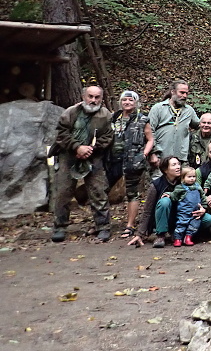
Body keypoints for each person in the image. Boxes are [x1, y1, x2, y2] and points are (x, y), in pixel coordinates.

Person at [50, 85, 114, 242]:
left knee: (98, 190)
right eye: (90, 96)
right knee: (63, 191)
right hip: (68, 154)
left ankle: (103, 226)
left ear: (101, 98)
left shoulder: (105, 115)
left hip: (94, 155)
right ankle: (60, 226)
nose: (93, 100)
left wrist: (92, 148)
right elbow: (61, 133)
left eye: (97, 97)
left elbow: (108, 136)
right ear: (83, 96)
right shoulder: (71, 112)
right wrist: (76, 147)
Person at [106, 90, 155, 240]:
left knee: (132, 193)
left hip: (133, 161)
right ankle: (102, 225)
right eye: (124, 100)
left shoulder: (142, 119)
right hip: (113, 161)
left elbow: (150, 139)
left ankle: (130, 225)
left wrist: (144, 154)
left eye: (130, 100)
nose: (127, 103)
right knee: (102, 190)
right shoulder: (114, 118)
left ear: (136, 102)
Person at [147, 155, 211, 247]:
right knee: (165, 201)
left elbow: (201, 197)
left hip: (188, 213)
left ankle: (187, 234)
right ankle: (161, 235)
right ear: (165, 169)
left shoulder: (187, 180)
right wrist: (140, 234)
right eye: (174, 165)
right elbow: (147, 211)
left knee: (208, 219)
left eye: (178, 164)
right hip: (169, 218)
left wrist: (203, 209)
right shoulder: (157, 184)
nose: (178, 167)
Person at [148, 79, 200, 165]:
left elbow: (201, 125)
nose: (185, 96)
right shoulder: (158, 108)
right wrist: (153, 153)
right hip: (161, 157)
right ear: (173, 92)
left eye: (186, 93)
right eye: (182, 92)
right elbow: (149, 131)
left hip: (180, 158)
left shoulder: (189, 110)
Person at [170, 167, 209, 247]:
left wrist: (204, 207)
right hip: (184, 212)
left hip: (196, 212)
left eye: (194, 177)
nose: (192, 179)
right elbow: (174, 197)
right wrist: (170, 195)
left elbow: (203, 198)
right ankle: (178, 239)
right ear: (183, 178)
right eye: (189, 177)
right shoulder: (180, 188)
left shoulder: (198, 187)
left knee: (194, 225)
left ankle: (188, 237)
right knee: (181, 225)